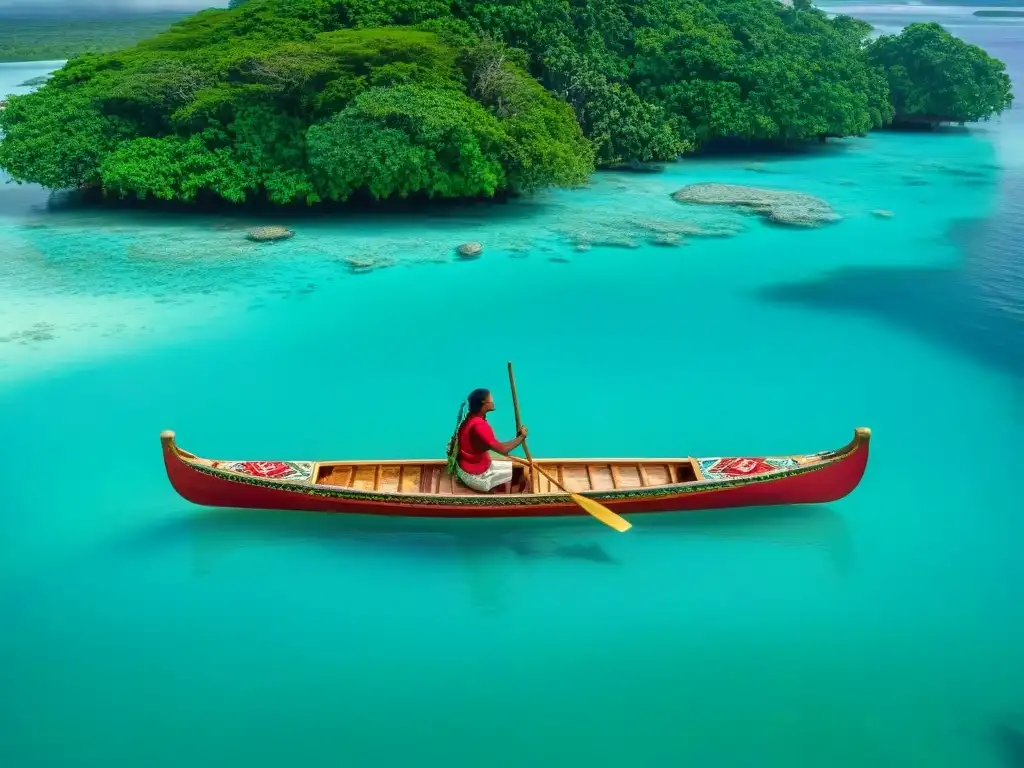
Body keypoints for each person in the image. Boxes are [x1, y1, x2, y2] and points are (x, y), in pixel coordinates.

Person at [449, 388, 531, 493]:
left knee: (520, 468)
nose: (493, 401)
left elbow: (483, 445)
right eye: (491, 398)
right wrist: (521, 438)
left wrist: (517, 438)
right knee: (520, 474)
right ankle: (503, 492)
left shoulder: (471, 418)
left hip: (474, 464)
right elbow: (502, 449)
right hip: (476, 474)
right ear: (484, 402)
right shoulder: (479, 425)